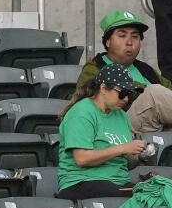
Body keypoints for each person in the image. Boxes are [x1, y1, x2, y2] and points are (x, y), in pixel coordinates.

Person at [77, 10, 172, 134]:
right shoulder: (95, 68)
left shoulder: (145, 69)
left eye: (135, 36)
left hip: (158, 127)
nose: (129, 42)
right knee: (153, 93)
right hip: (117, 128)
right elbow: (86, 100)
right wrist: (145, 90)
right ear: (108, 42)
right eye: (122, 36)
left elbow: (167, 90)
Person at [56, 63, 146, 200]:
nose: (126, 99)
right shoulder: (82, 113)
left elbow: (122, 163)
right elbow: (82, 158)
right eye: (122, 93)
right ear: (103, 88)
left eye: (130, 94)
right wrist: (122, 148)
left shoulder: (122, 117)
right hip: (80, 183)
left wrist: (139, 157)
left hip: (117, 183)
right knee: (112, 191)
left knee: (151, 193)